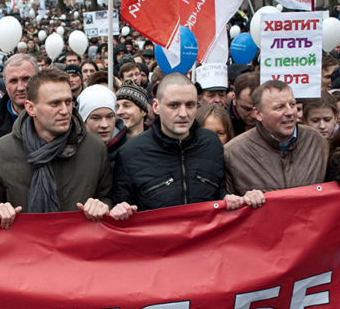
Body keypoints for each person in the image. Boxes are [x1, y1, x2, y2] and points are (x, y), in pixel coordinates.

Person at [0, 68, 119, 222]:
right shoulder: (1, 152)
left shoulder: (94, 149)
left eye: (68, 102)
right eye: (55, 104)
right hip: (24, 244)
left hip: (78, 244)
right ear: (30, 108)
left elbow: (107, 197)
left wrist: (102, 206)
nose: (65, 111)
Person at [113, 74, 258, 212]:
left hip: (205, 237)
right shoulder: (130, 153)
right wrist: (119, 209)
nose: (183, 113)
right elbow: (121, 208)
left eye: (189, 105)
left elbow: (217, 189)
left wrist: (226, 197)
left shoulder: (211, 143)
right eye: (174, 105)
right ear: (156, 107)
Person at [224, 79, 329, 194]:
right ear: (258, 114)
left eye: (292, 104)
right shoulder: (234, 153)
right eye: (279, 107)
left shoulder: (317, 142)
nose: (290, 112)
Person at [0, 54, 39, 157]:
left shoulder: (54, 113)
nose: (20, 87)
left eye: (26, 79)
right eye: (13, 81)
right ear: (5, 84)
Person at [229, 71, 259, 136]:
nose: (254, 115)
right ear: (234, 99)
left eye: (258, 109)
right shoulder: (223, 123)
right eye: (247, 109)